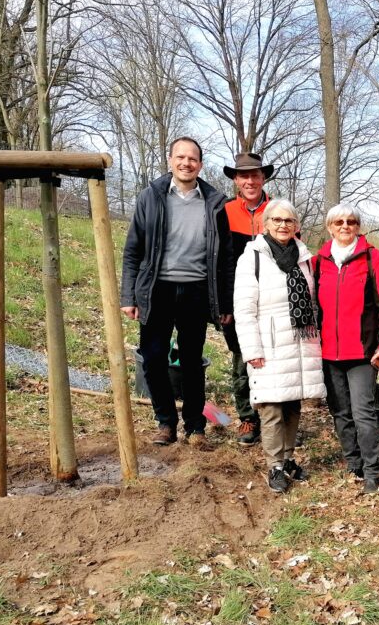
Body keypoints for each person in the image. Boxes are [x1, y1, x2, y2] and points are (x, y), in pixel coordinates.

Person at [120, 136, 233, 447]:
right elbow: (133, 250)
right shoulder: (151, 197)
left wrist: (224, 301)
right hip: (157, 289)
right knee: (154, 359)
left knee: (192, 361)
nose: (186, 163)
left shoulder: (214, 203)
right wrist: (128, 296)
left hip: (197, 291)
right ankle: (165, 422)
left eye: (193, 158)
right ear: (170, 160)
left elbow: (224, 259)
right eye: (180, 157)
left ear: (200, 164)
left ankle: (195, 427)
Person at [233, 199, 325, 493]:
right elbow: (244, 309)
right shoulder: (253, 258)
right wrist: (252, 350)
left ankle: (287, 460)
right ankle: (274, 466)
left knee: (292, 408)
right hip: (269, 345)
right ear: (265, 223)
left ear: (296, 226)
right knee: (271, 409)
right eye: (277, 220)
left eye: (289, 221)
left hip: (300, 344)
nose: (283, 225)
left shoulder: (305, 257)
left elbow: (312, 303)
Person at [314, 204, 379, 494]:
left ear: (358, 226)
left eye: (351, 221)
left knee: (363, 412)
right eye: (339, 222)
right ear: (330, 227)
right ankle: (354, 463)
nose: (345, 226)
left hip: (363, 353)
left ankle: (372, 469)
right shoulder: (317, 262)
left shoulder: (375, 259)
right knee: (340, 411)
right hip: (328, 353)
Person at [221, 152, 274, 447]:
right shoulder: (225, 212)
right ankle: (247, 417)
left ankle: (275, 416)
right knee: (243, 359)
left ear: (263, 177)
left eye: (255, 175)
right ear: (236, 180)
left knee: (274, 358)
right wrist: (223, 306)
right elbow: (218, 262)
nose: (250, 181)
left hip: (272, 300)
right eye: (244, 176)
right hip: (238, 301)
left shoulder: (277, 211)